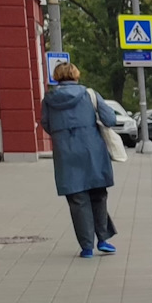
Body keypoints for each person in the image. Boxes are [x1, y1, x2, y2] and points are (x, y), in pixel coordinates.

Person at [42, 61, 119, 258]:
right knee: (98, 195)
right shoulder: (89, 94)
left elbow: (46, 124)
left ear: (57, 77)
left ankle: (86, 247)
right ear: (76, 75)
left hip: (65, 153)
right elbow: (110, 120)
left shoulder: (48, 100)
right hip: (92, 151)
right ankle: (103, 239)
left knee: (77, 200)